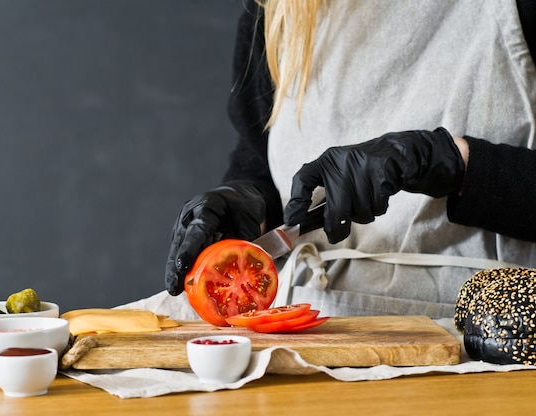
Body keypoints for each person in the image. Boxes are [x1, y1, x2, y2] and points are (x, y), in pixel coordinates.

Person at [164, 0, 536, 318]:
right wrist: (248, 199)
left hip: (476, 352)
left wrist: (446, 162)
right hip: (312, 341)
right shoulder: (277, 7)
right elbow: (257, 154)